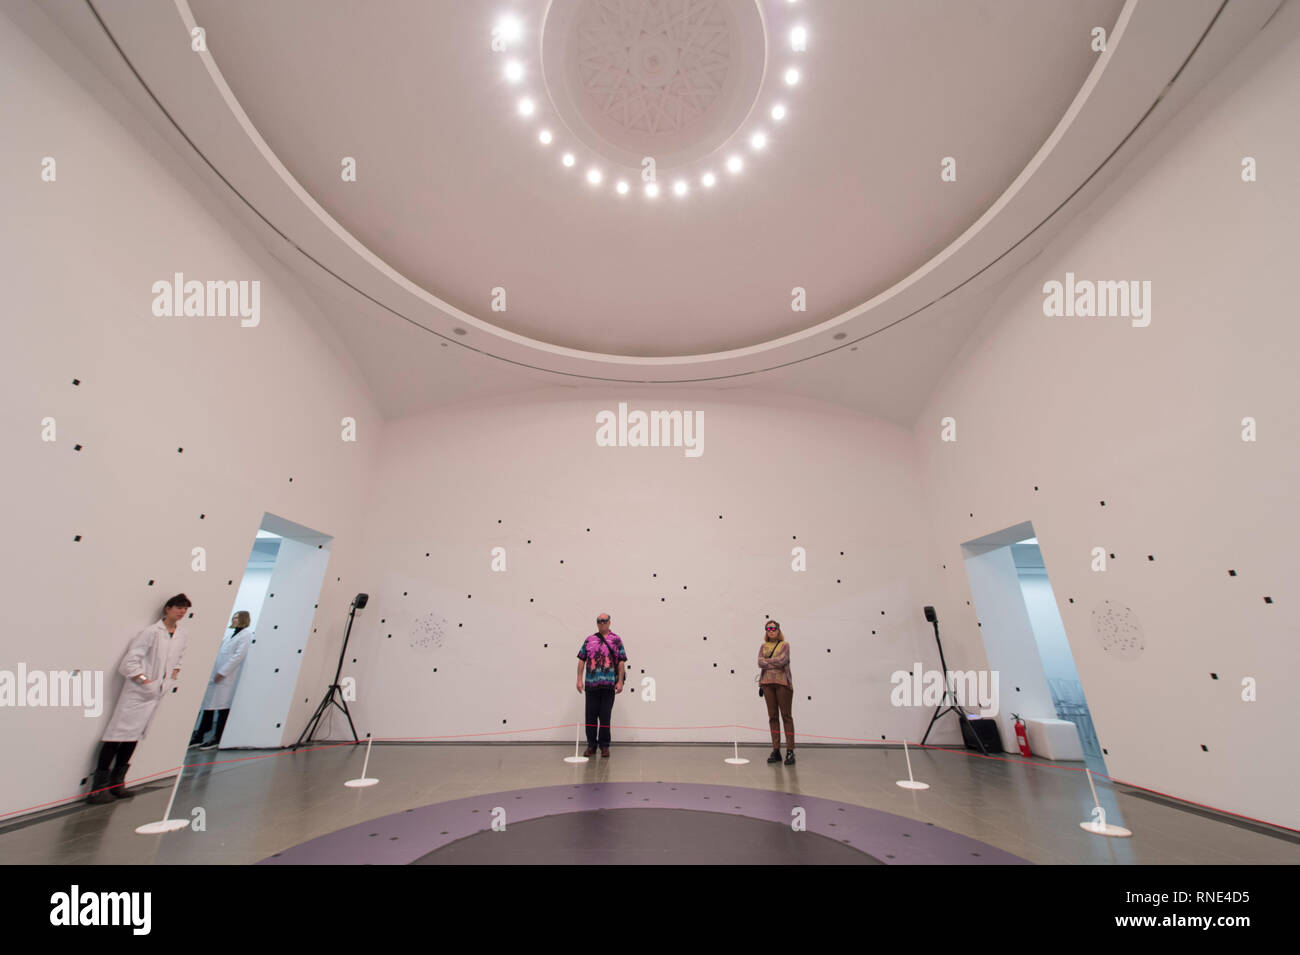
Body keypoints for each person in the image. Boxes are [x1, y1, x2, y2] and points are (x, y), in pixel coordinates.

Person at [86, 594, 191, 804]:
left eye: (184, 609)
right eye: (178, 607)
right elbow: (128, 664)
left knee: (133, 738)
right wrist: (146, 681)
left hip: (155, 694)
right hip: (137, 693)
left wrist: (170, 680)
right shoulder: (150, 633)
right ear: (168, 608)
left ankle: (117, 783)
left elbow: (177, 661)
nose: (181, 612)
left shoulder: (181, 635)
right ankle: (98, 789)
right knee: (116, 736)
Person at [190, 610, 251, 750]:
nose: (234, 620)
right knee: (208, 706)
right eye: (233, 617)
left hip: (227, 677)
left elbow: (238, 656)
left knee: (222, 707)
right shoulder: (229, 634)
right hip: (216, 674)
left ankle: (217, 737)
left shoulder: (245, 635)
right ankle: (200, 735)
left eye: (236, 618)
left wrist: (223, 672)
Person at [575, 613, 626, 757]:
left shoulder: (616, 640)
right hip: (591, 685)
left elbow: (621, 661)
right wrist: (579, 679)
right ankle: (591, 745)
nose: (602, 623)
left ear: (609, 622)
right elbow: (581, 660)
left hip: (608, 685)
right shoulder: (589, 640)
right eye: (599, 621)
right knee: (590, 717)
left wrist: (620, 681)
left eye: (604, 621)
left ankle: (604, 746)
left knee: (605, 716)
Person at [757, 620, 795, 765]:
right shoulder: (763, 646)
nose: (771, 630)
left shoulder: (785, 645)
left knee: (786, 716)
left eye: (774, 628)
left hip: (782, 683)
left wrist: (768, 661)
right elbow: (759, 662)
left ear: (778, 630)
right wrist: (773, 661)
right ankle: (776, 750)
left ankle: (790, 750)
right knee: (772, 716)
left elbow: (783, 661)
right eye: (768, 628)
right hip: (767, 683)